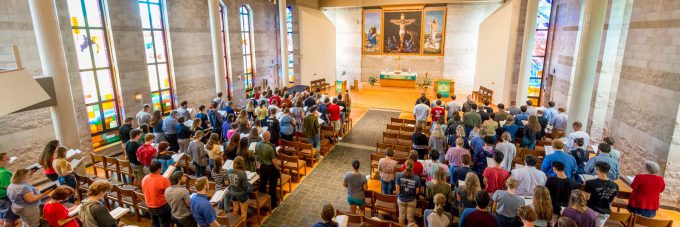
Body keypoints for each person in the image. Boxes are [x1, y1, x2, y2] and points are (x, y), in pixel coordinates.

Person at [584, 162, 619, 227]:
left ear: (596, 169)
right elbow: (614, 200)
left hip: (591, 209)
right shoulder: (615, 185)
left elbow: (586, 198)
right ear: (608, 171)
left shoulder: (590, 183)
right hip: (605, 211)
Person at [141, 161, 172, 227]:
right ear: (158, 170)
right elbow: (169, 193)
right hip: (161, 206)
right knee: (165, 223)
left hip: (150, 205)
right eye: (161, 168)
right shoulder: (164, 179)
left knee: (154, 223)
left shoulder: (145, 178)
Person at [254, 131, 280, 208]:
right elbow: (274, 161)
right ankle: (273, 203)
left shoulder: (258, 145)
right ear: (269, 137)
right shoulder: (270, 147)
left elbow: (256, 157)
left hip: (262, 167)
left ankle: (262, 202)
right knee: (272, 186)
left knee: (262, 185)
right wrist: (277, 168)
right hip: (271, 168)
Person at [395, 160, 420, 225]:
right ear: (413, 167)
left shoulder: (399, 175)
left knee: (401, 218)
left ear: (405, 165)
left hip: (401, 199)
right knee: (410, 219)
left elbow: (397, 190)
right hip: (411, 200)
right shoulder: (417, 178)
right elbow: (417, 192)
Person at [0, 153, 18, 227]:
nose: (9, 159)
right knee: (9, 219)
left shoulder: (2, 170)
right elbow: (9, 188)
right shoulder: (3, 173)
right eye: (7, 158)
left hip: (2, 199)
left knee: (3, 217)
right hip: (6, 198)